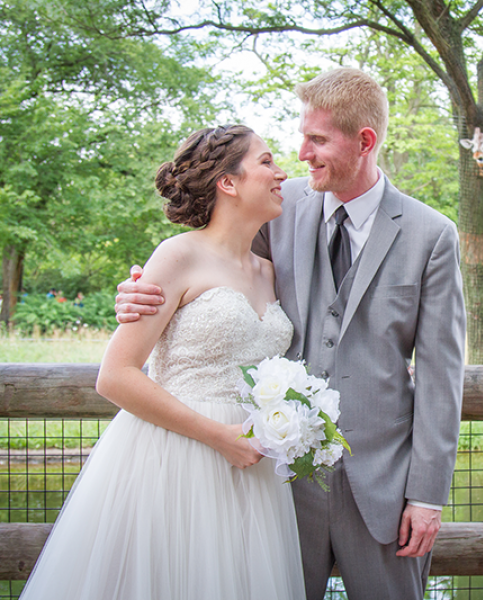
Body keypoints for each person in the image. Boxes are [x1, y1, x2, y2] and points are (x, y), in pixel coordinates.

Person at [116, 68, 466, 600]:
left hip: (384, 487)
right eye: (300, 136)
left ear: (365, 141)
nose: (300, 153)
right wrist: (138, 289)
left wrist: (427, 495)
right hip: (272, 484)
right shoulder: (278, 208)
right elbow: (211, 270)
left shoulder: (430, 234)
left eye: (317, 139)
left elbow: (442, 373)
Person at [20, 125, 306, 600]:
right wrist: (221, 437)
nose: (281, 173)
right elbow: (115, 376)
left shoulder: (270, 271)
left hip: (251, 468)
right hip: (176, 458)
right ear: (228, 182)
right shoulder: (176, 256)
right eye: (267, 162)